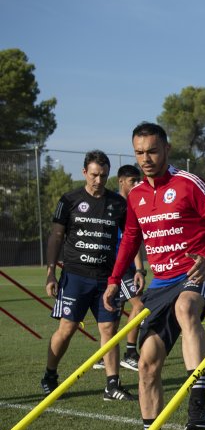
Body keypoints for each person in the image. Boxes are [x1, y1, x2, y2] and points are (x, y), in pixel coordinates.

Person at [103, 122, 205, 430]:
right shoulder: (135, 196)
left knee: (186, 306)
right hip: (159, 287)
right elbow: (131, 238)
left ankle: (198, 401)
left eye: (152, 151)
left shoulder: (188, 184)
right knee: (146, 364)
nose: (146, 158)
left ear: (166, 150)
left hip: (194, 274)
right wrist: (114, 279)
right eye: (139, 152)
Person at [41, 150, 136, 402]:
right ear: (84, 172)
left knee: (109, 328)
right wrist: (51, 272)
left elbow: (130, 238)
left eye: (103, 176)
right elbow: (56, 237)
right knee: (67, 328)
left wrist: (137, 269)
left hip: (107, 279)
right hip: (75, 276)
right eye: (94, 175)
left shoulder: (118, 203)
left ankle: (112, 385)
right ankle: (50, 376)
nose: (98, 180)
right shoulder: (69, 200)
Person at [114, 164, 149, 370]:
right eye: (132, 181)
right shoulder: (116, 204)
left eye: (138, 180)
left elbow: (134, 240)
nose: (136, 184)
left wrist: (139, 269)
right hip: (118, 266)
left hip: (129, 266)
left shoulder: (135, 203)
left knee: (119, 310)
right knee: (139, 305)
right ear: (121, 181)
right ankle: (129, 352)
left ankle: (108, 353)